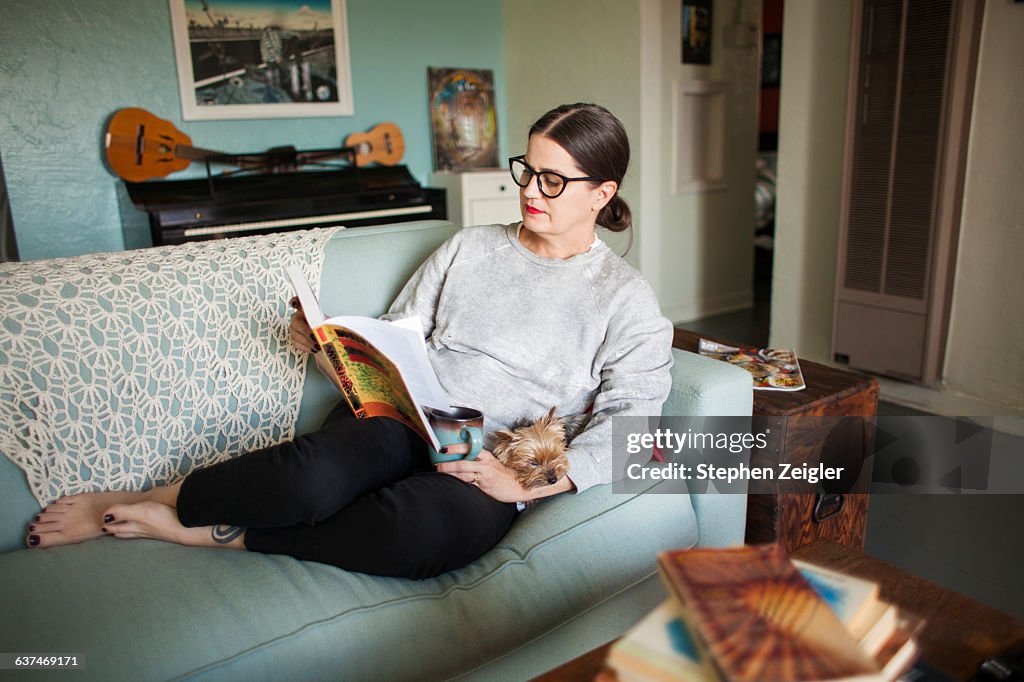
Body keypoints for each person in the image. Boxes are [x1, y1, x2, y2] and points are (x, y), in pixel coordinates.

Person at [24, 103, 674, 579]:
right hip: (401, 419)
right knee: (311, 476)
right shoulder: (470, 248)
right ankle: (140, 499)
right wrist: (335, 349)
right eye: (526, 170)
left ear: (603, 193)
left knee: (416, 531)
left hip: (492, 460)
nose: (530, 191)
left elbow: (638, 420)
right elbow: (402, 338)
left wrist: (527, 486)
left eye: (552, 180)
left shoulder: (624, 298)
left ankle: (220, 537)